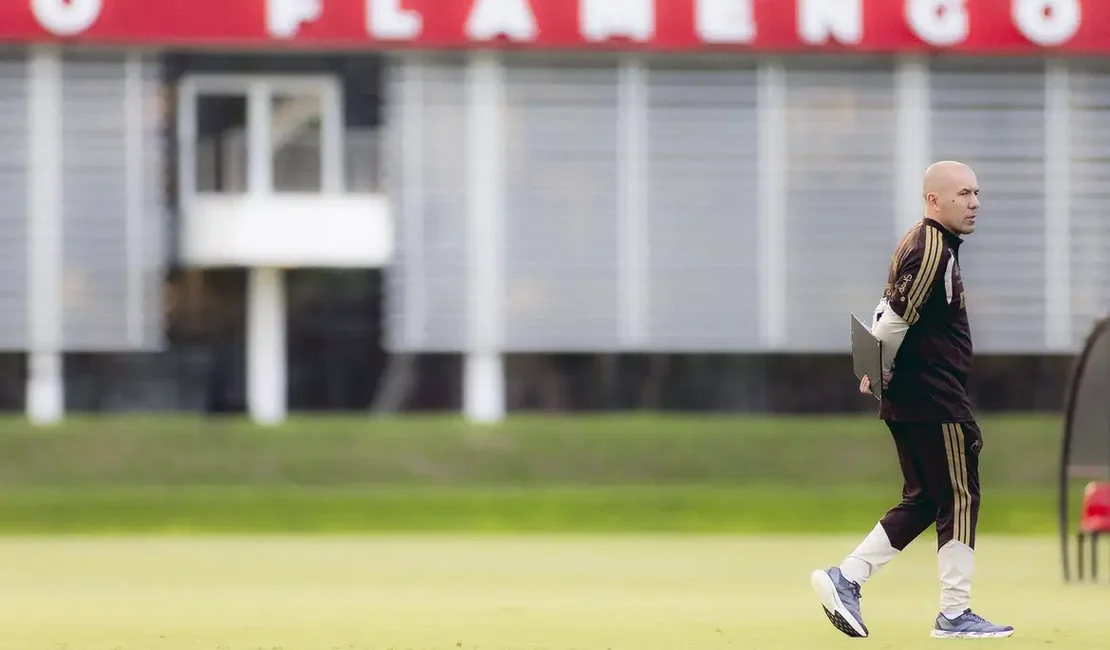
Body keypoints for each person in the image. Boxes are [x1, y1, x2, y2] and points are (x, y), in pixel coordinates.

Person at [809, 161, 1014, 639]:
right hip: (934, 396)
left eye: (976, 193)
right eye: (963, 193)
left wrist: (875, 365)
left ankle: (848, 577)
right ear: (934, 200)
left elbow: (888, 309)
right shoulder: (932, 249)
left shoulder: (920, 243)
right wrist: (875, 363)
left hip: (913, 395)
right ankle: (956, 614)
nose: (974, 203)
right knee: (960, 496)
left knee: (924, 499)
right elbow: (896, 316)